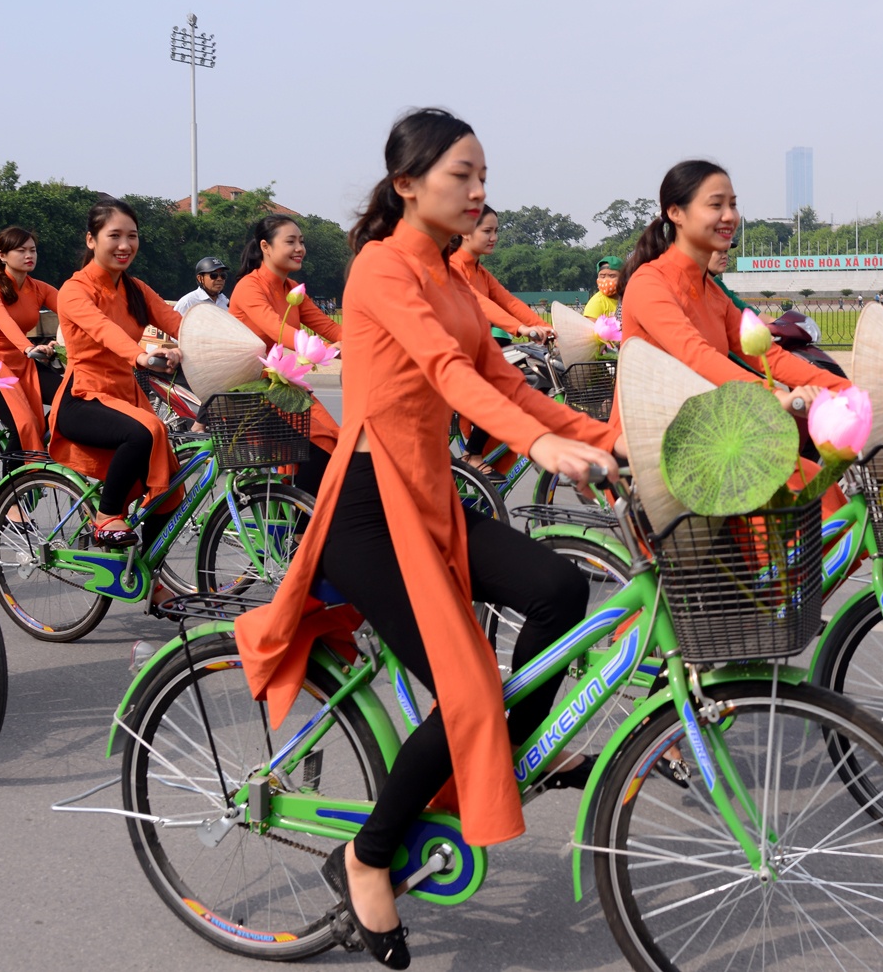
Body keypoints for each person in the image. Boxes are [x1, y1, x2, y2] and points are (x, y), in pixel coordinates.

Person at [234, 109, 622, 967]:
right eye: (462, 174)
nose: (479, 191)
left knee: (560, 589)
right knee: (471, 691)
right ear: (407, 184)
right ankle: (368, 860)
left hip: (434, 499)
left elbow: (500, 383)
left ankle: (493, 761)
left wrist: (597, 437)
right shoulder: (380, 270)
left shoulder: (451, 278)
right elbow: (446, 373)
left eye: (483, 174)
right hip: (371, 512)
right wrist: (537, 448)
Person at [617, 160, 842, 410]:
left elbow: (767, 356)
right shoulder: (649, 283)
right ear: (676, 213)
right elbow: (696, 355)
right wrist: (775, 397)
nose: (729, 216)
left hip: (713, 429)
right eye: (716, 205)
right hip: (650, 438)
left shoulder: (714, 292)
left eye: (732, 205)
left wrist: (843, 387)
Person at [49, 197, 185, 551]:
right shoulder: (75, 290)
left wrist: (227, 347)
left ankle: (154, 583)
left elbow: (179, 323)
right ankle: (106, 516)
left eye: (133, 236)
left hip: (126, 397)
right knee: (146, 432)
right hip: (84, 398)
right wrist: (141, 356)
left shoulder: (135, 289)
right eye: (115, 236)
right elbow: (103, 329)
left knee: (171, 488)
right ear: (91, 240)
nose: (125, 245)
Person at [229, 213, 340, 495]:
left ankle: (301, 521)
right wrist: (329, 351)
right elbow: (278, 330)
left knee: (337, 441)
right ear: (266, 247)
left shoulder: (292, 289)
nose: (299, 248)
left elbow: (329, 326)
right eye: (290, 241)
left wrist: (370, 342)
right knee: (324, 442)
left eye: (301, 242)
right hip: (255, 389)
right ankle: (303, 532)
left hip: (284, 385)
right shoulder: (249, 286)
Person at [0, 226, 61, 453]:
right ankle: (10, 487)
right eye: (21, 251)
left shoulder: (38, 288)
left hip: (22, 361)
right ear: (2, 255)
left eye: (33, 250)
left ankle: (40, 440)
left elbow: (75, 313)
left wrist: (61, 342)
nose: (29, 256)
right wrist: (27, 347)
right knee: (24, 426)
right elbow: (4, 321)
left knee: (73, 393)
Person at [449, 205, 554, 343]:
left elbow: (510, 302)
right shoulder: (450, 268)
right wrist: (520, 328)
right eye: (487, 231)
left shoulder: (481, 272)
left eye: (496, 231)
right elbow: (477, 301)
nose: (494, 238)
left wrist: (549, 329)